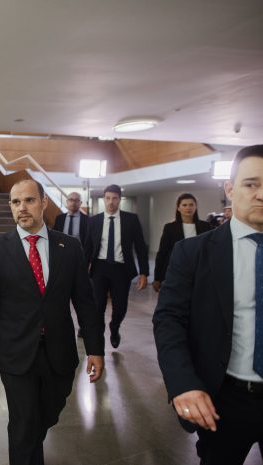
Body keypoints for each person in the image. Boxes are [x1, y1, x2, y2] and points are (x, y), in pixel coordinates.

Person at [0, 179, 104, 465]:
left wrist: (96, 348)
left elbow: (85, 302)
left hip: (59, 351)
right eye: (16, 202)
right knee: (22, 423)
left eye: (29, 200)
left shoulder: (69, 246)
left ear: (43, 203)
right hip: (15, 351)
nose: (22, 208)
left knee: (47, 414)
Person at [153, 144, 263, 465]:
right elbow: (169, 320)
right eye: (251, 184)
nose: (261, 195)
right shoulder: (193, 253)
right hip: (224, 400)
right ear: (230, 189)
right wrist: (183, 384)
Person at [84, 184, 149, 349]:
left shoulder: (131, 220)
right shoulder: (94, 221)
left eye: (114, 198)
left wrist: (144, 273)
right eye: (107, 198)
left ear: (120, 199)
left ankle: (114, 327)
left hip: (121, 269)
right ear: (103, 199)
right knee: (97, 306)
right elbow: (88, 247)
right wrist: (82, 271)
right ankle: (98, 337)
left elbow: (140, 247)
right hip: (99, 268)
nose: (111, 202)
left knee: (120, 307)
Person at [152, 193, 212, 292]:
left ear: (196, 207)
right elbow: (162, 253)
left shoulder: (205, 226)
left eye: (191, 205)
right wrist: (157, 278)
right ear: (178, 208)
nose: (188, 208)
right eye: (184, 205)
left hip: (199, 272)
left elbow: (210, 251)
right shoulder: (170, 228)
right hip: (176, 271)